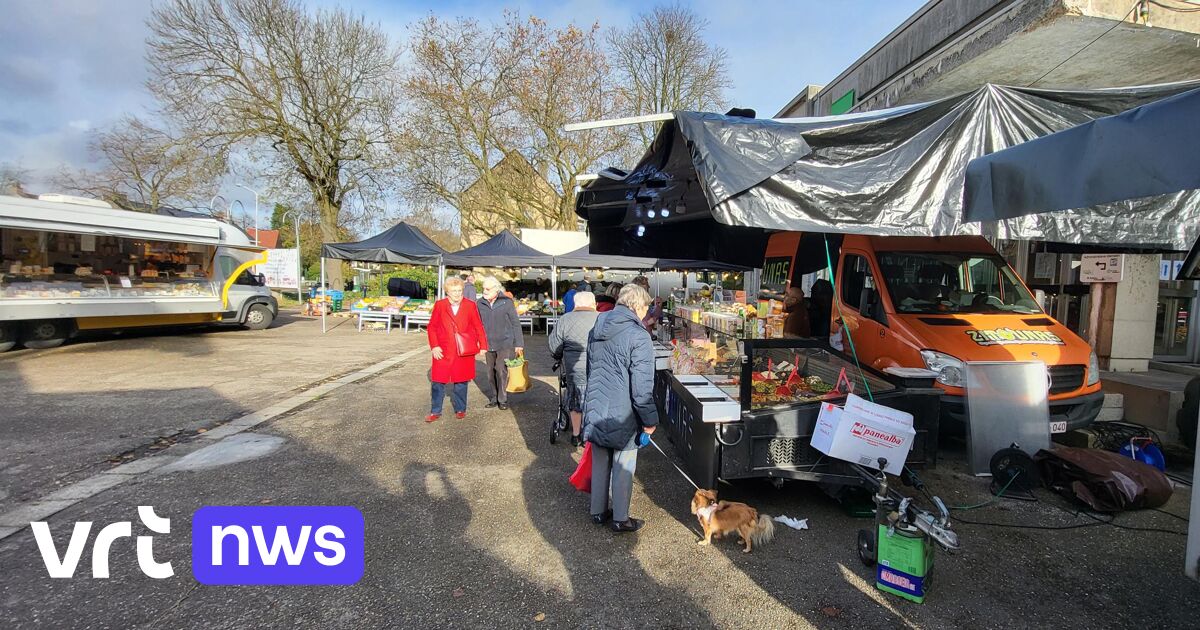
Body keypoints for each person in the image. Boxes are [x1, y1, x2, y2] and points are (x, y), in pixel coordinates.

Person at [583, 283, 658, 533]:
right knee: (624, 465)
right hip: (623, 410)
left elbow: (590, 368)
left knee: (601, 458)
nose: (646, 313)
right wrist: (649, 420)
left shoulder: (598, 325)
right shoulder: (639, 336)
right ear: (637, 306)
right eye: (646, 307)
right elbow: (642, 387)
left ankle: (597, 511)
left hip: (597, 404)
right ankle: (620, 518)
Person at [426, 276, 488, 422]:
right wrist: (434, 346)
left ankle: (461, 409)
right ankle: (435, 411)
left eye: (460, 290)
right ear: (447, 292)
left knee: (461, 382)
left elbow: (478, 326)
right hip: (443, 349)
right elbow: (432, 327)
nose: (457, 294)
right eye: (454, 291)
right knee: (438, 382)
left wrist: (483, 345)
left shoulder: (470, 305)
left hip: (463, 349)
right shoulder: (440, 305)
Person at [548, 291, 599, 447]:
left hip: (574, 369)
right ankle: (589, 435)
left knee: (575, 401)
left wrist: (558, 356)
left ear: (575, 304)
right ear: (593, 303)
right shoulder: (603, 318)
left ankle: (576, 435)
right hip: (599, 369)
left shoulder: (565, 319)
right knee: (595, 401)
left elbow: (554, 347)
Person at [477, 276, 524, 410]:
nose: (484, 291)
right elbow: (477, 324)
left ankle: (502, 399)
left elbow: (515, 323)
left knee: (500, 369)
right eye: (483, 288)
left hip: (504, 342)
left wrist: (519, 343)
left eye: (487, 289)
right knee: (490, 372)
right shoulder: (480, 303)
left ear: (496, 290)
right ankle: (494, 397)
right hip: (488, 342)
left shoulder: (506, 302)